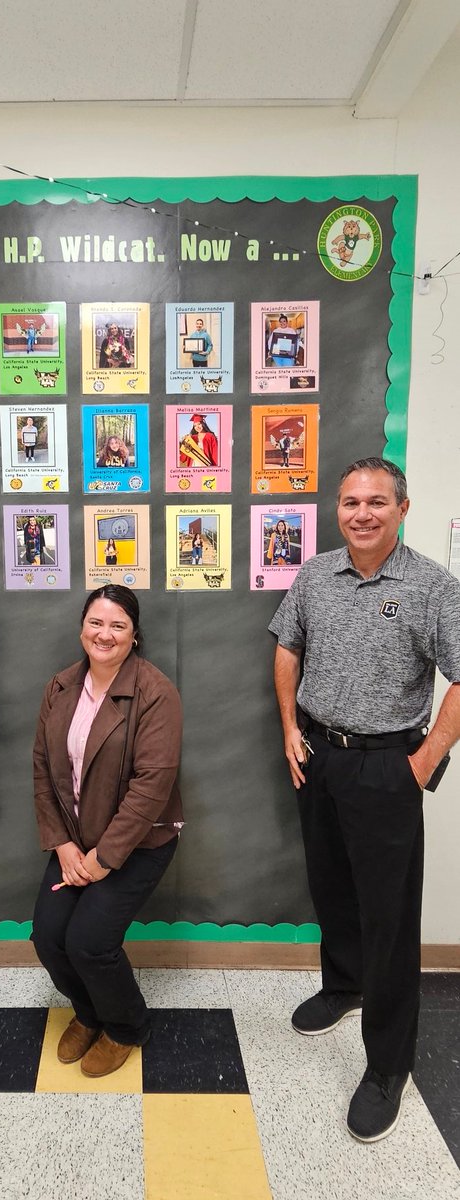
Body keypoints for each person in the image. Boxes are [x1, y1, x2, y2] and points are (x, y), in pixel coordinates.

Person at [268, 457, 460, 1143]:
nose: (362, 513)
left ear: (401, 509)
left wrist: (426, 759)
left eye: (377, 502)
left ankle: (387, 1068)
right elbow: (287, 648)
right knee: (333, 888)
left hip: (388, 768)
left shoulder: (434, 587)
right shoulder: (315, 574)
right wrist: (291, 727)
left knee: (389, 918)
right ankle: (343, 985)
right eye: (350, 502)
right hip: (319, 757)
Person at [32, 585, 183, 1077]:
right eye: (96, 623)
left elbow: (151, 789)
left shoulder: (156, 693)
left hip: (138, 843)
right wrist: (64, 844)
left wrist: (101, 860)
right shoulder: (59, 687)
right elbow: (41, 770)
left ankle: (126, 1026)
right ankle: (90, 1011)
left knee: (90, 942)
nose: (105, 634)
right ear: (81, 629)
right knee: (49, 936)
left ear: (134, 636)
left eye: (118, 625)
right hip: (73, 841)